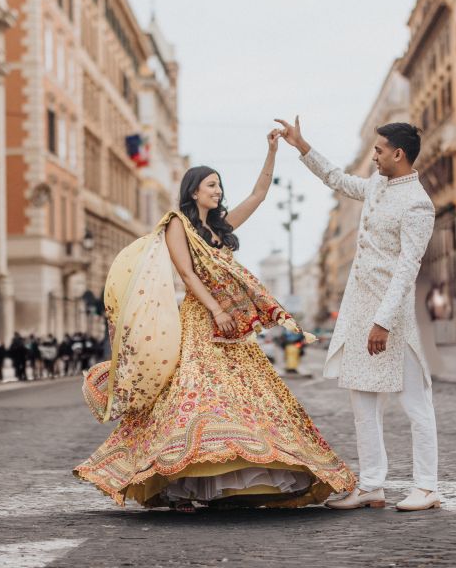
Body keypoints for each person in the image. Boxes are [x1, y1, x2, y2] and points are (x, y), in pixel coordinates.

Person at [75, 129, 356, 511]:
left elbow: (258, 195)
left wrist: (271, 151)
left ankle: (242, 479)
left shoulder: (220, 229)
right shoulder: (179, 224)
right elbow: (188, 275)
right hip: (199, 319)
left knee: (246, 396)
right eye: (211, 185)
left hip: (231, 329)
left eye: (220, 185)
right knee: (197, 397)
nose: (218, 190)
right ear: (194, 191)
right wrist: (217, 309)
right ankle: (179, 483)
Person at [277, 116, 441, 513]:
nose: (374, 156)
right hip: (359, 310)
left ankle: (428, 486)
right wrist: (303, 146)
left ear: (398, 154)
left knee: (415, 402)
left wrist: (382, 322)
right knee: (362, 404)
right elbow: (336, 178)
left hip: (392, 316)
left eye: (379, 150)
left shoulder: (418, 204)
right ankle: (371, 485)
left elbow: (407, 268)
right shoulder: (377, 187)